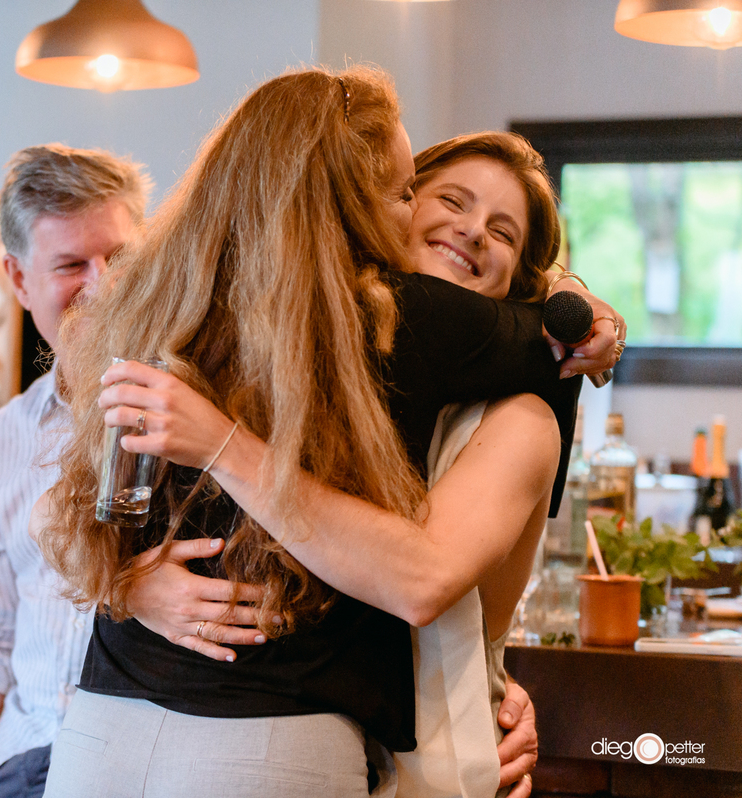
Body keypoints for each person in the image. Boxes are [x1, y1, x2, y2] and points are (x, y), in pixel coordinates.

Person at [37, 66, 618, 797]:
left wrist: (124, 582)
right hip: (268, 740)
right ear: (350, 192)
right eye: (426, 195)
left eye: (502, 230)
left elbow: (68, 507)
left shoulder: (164, 299)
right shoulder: (402, 320)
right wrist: (131, 585)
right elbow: (560, 339)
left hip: (100, 730)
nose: (468, 229)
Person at [0, 144, 161, 798]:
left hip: (145, 769)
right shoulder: (7, 436)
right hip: (21, 763)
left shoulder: (195, 415)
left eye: (121, 259)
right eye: (71, 265)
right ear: (19, 278)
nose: (103, 285)